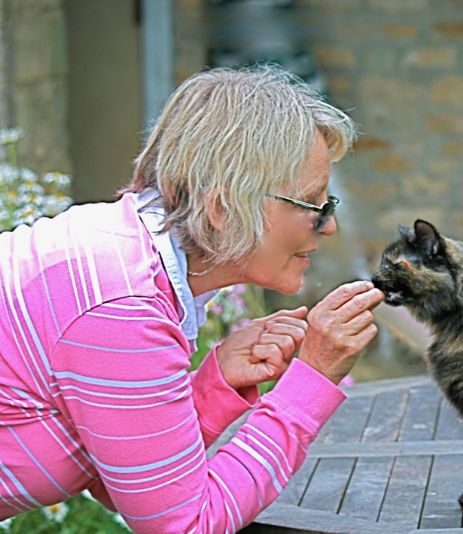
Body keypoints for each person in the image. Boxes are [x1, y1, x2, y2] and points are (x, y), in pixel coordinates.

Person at [0, 64, 384, 532]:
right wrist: (312, 380)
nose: (329, 226)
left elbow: (123, 486)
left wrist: (214, 383)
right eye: (312, 205)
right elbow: (185, 525)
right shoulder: (121, 305)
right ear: (221, 209)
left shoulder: (131, 262)